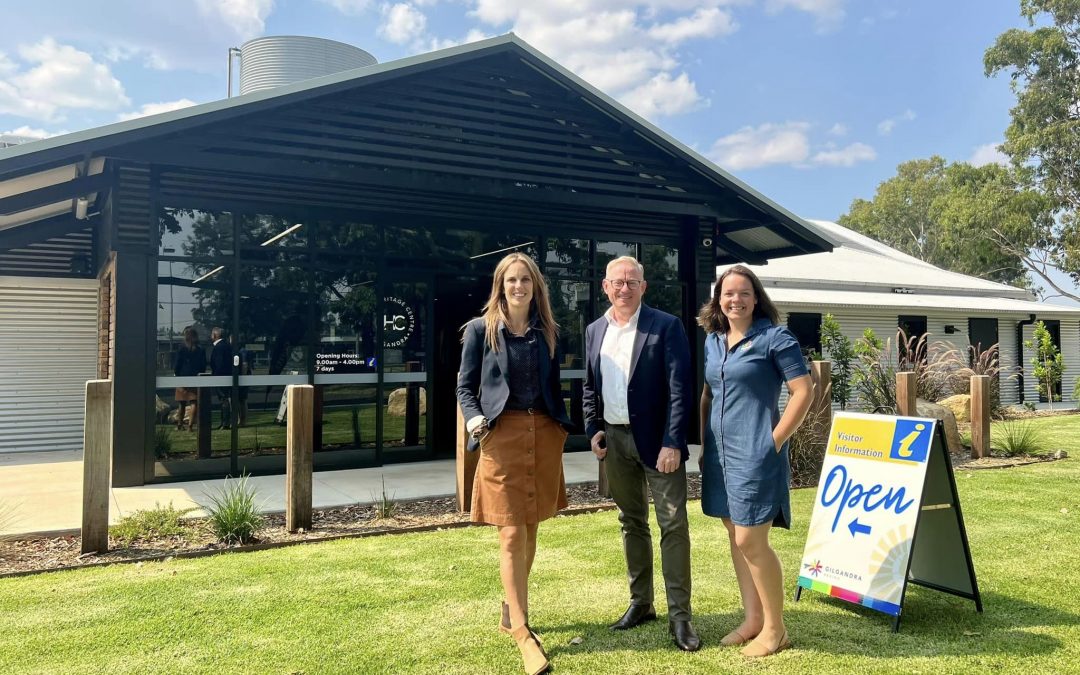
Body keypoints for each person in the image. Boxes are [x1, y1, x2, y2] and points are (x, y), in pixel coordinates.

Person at [456, 252, 571, 675]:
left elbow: (553, 386)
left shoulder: (548, 333)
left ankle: (510, 610)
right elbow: (464, 388)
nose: (518, 286)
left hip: (542, 433)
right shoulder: (478, 331)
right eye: (511, 281)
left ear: (535, 287)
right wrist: (476, 423)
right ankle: (522, 631)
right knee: (510, 533)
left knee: (532, 525)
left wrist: (559, 429)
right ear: (500, 287)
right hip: (500, 437)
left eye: (525, 280)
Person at [582, 255, 699, 652]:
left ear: (644, 287)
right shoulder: (594, 330)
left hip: (658, 444)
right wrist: (593, 428)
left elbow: (681, 388)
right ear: (605, 286)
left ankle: (680, 617)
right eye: (618, 281)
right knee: (631, 522)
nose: (625, 288)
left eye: (632, 281)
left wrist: (673, 441)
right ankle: (641, 604)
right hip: (614, 442)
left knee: (673, 525)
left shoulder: (666, 326)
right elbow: (588, 386)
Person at [698, 265, 812, 658]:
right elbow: (709, 393)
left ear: (756, 297)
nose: (735, 300)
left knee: (751, 538)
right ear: (718, 299)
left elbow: (803, 391)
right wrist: (702, 443)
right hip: (718, 453)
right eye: (728, 293)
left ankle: (776, 629)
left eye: (743, 293)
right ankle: (752, 620)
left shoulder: (776, 338)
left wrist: (774, 441)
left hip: (756, 452)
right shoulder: (713, 341)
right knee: (735, 536)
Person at [173, 326, 206, 431]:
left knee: (181, 402)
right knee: (193, 402)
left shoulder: (181, 348)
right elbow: (203, 364)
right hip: (195, 376)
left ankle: (179, 424)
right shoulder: (200, 349)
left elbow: (178, 363)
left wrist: (176, 373)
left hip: (182, 376)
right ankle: (190, 426)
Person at [209, 326, 234, 430]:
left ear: (215, 335)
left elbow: (218, 363)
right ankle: (225, 422)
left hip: (220, 376)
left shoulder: (219, 347)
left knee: (224, 399)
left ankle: (225, 423)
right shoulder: (227, 345)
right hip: (227, 374)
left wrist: (216, 375)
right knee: (225, 399)